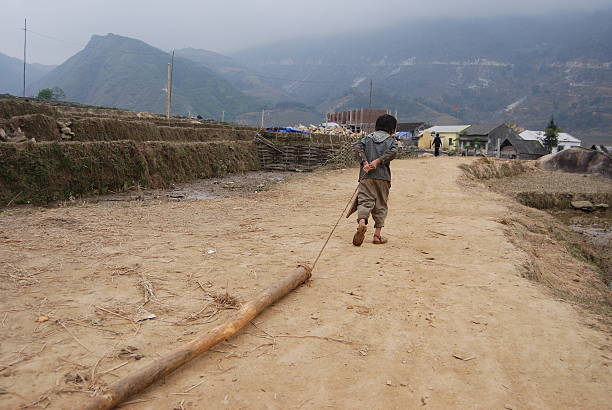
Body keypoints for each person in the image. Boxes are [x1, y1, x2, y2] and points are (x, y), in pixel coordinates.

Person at [352, 114, 398, 246]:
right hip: (383, 178)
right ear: (392, 129)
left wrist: (365, 162)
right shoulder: (391, 141)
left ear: (376, 126)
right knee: (381, 204)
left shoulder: (367, 138)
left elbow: (358, 149)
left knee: (364, 201)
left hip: (366, 176)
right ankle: (377, 236)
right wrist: (378, 161)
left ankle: (362, 222)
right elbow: (393, 152)